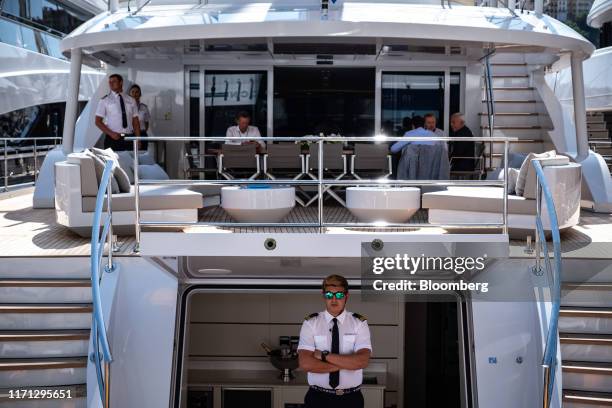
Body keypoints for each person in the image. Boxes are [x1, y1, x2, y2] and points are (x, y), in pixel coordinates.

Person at [298, 274, 372, 408]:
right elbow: (306, 363)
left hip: (351, 399)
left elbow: (362, 361)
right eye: (329, 295)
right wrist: (348, 364)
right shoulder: (311, 323)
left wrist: (323, 356)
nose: (333, 299)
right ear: (323, 295)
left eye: (339, 295)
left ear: (346, 296)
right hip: (318, 398)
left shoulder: (359, 323)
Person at [95, 74, 141, 151]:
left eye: (114, 81)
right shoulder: (105, 100)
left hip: (129, 138)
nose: (111, 83)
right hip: (113, 139)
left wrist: (138, 139)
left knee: (130, 162)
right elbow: (98, 122)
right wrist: (111, 133)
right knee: (110, 162)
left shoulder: (131, 100)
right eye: (110, 82)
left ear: (121, 82)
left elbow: (136, 122)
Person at [129, 84, 150, 151]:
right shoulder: (126, 108)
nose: (135, 94)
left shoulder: (144, 107)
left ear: (140, 94)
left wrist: (141, 132)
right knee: (130, 156)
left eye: (137, 92)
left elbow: (146, 123)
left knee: (142, 155)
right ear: (130, 94)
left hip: (142, 134)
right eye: (133, 92)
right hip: (130, 135)